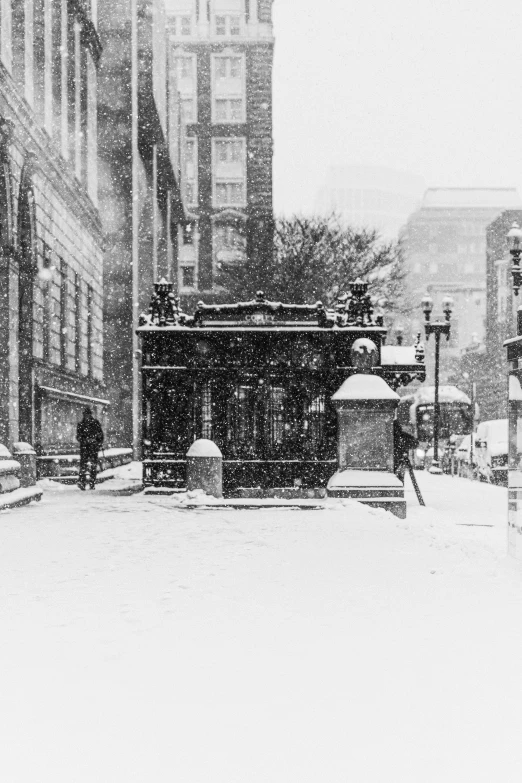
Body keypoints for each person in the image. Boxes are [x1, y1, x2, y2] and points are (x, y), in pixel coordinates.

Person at [76, 407, 104, 490]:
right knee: (83, 466)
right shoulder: (81, 424)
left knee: (92, 466)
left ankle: (91, 483)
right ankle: (82, 482)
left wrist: (96, 442)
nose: (87, 416)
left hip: (92, 448)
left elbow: (100, 435)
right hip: (85, 447)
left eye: (87, 415)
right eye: (85, 415)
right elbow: (78, 436)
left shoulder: (95, 423)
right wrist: (85, 440)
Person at [393, 418, 418, 482]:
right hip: (400, 460)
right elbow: (415, 443)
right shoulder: (403, 435)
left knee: (397, 477)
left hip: (395, 460)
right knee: (399, 478)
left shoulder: (389, 436)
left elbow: (414, 443)